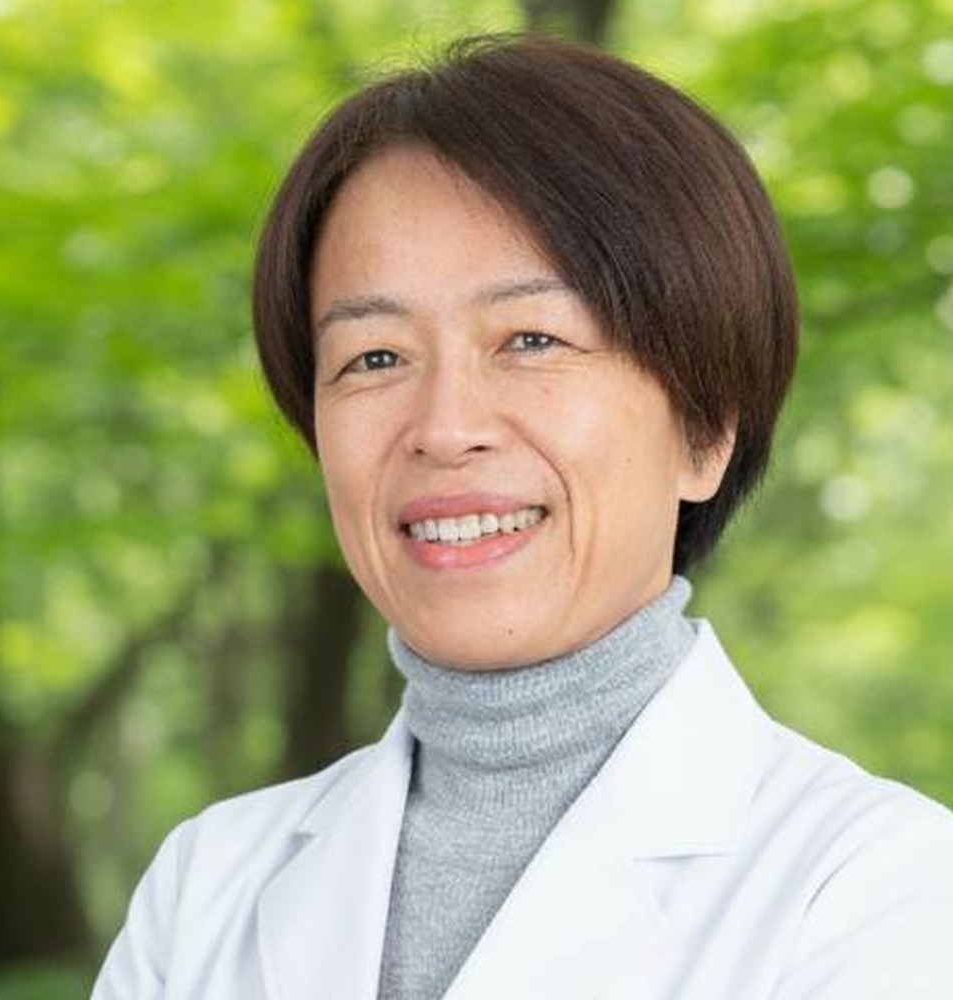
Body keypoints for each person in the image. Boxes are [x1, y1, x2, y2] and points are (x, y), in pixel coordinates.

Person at [92, 35, 953, 1000]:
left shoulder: (882, 894)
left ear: (704, 430)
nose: (444, 428)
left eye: (533, 339)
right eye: (374, 358)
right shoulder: (206, 890)